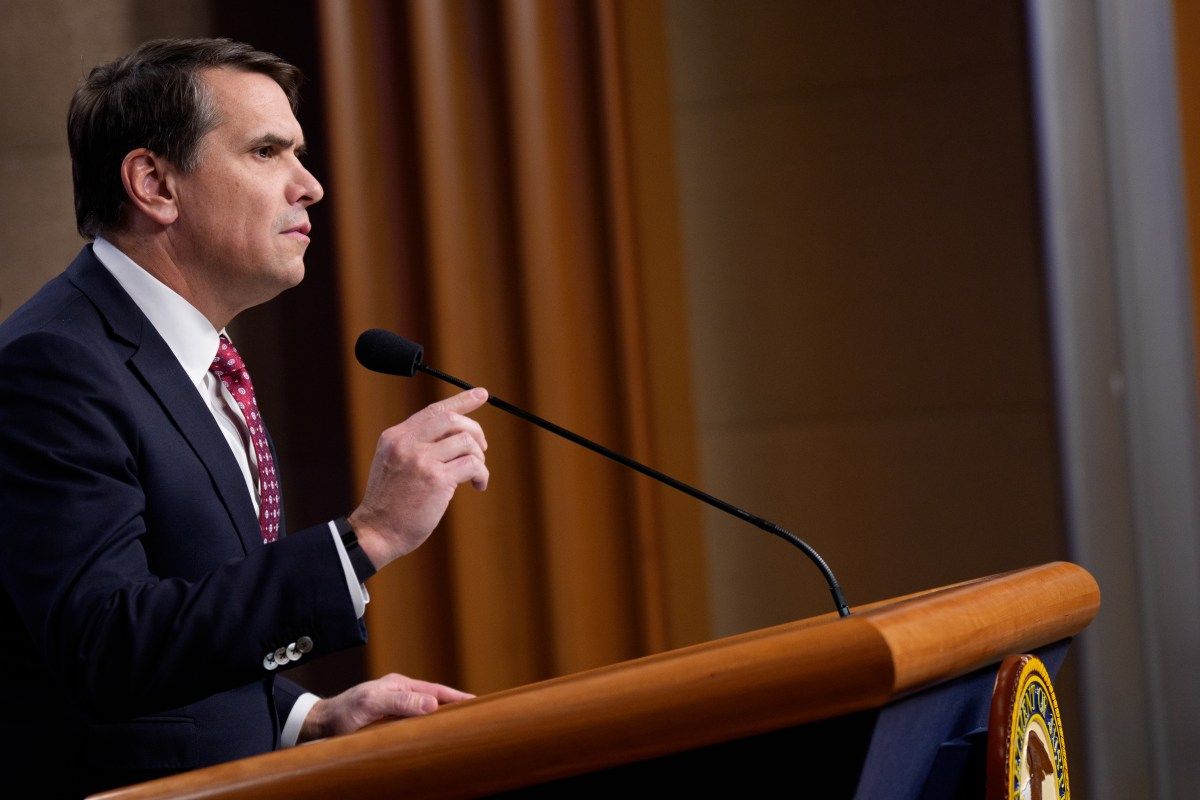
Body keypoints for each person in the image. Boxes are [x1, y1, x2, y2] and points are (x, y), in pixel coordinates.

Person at [0, 38, 490, 797]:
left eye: (299, 153)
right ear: (154, 184)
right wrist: (367, 537)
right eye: (267, 152)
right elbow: (104, 644)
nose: (311, 186)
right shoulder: (54, 365)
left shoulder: (198, 354)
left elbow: (182, 610)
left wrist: (303, 716)